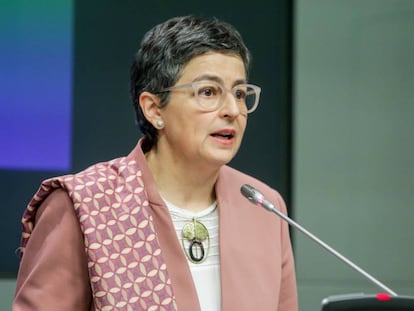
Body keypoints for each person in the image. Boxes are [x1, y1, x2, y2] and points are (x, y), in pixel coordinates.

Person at [13, 15, 298, 311]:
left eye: (239, 93)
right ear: (153, 108)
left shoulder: (264, 207)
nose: (232, 110)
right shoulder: (83, 205)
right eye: (208, 92)